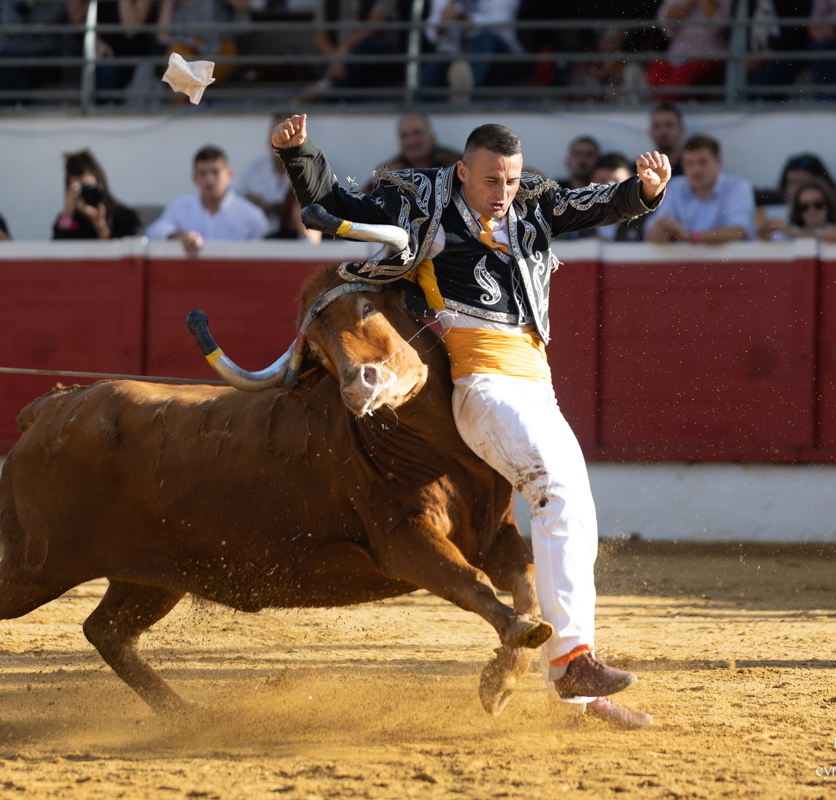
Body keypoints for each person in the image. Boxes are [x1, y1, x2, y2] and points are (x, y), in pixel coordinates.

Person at [272, 112, 669, 729]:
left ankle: (578, 691)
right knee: (557, 494)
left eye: (510, 179)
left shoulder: (531, 206)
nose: (503, 190)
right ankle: (573, 663)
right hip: (482, 387)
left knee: (575, 512)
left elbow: (589, 206)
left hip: (537, 388)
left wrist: (642, 192)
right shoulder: (426, 205)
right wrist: (301, 155)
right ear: (463, 172)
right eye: (491, 179)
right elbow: (338, 208)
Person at [146, 145, 270, 256]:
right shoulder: (181, 207)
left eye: (215, 172)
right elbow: (153, 231)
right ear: (195, 178)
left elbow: (267, 253)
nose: (209, 179)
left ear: (229, 175)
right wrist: (178, 235)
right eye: (203, 173)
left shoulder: (251, 215)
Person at [646, 134, 754, 243]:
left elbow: (740, 232)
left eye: (702, 162)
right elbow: (653, 227)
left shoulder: (737, 186)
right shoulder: (675, 186)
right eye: (689, 163)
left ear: (718, 162)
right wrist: (658, 232)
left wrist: (690, 236)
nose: (696, 169)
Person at [421, 0, 520, 97]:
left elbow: (500, 22)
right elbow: (431, 34)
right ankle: (426, 105)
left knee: (484, 37)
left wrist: (463, 19)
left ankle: (468, 89)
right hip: (456, 57)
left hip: (501, 58)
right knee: (433, 70)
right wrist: (443, 23)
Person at [0, 1, 73, 106]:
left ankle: (4, 109)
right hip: (11, 56)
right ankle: (25, 105)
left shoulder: (58, 4)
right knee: (4, 70)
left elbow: (72, 25)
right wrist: (27, 4)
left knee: (5, 72)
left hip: (43, 59)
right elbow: (8, 29)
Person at [648, 0, 732, 100]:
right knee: (657, 72)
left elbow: (717, 26)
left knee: (680, 79)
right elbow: (666, 23)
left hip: (709, 56)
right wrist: (689, 3)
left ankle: (658, 102)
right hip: (677, 54)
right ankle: (648, 97)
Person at [312, 0, 405, 91]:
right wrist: (334, 59)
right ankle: (335, 95)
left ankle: (328, 93)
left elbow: (377, 21)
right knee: (334, 68)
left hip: (380, 54)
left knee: (363, 48)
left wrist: (346, 47)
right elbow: (320, 35)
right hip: (340, 56)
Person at [53, 149, 141, 240]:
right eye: (78, 190)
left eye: (88, 189)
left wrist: (99, 224)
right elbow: (56, 251)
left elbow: (127, 251)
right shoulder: (69, 222)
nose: (84, 195)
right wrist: (67, 217)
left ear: (100, 185)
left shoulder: (125, 217)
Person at [234, 114, 294, 230]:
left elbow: (315, 210)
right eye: (277, 133)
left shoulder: (313, 170)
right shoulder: (254, 169)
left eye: (287, 134)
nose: (281, 139)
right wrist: (248, 203)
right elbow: (233, 202)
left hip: (298, 243)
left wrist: (269, 208)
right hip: (257, 240)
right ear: (269, 139)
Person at [756, 177, 836, 241]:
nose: (812, 211)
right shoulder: (790, 234)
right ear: (798, 211)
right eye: (805, 207)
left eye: (818, 205)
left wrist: (787, 229)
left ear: (828, 205)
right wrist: (764, 229)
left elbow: (827, 235)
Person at [589, 153, 646, 241]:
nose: (609, 187)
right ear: (592, 182)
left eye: (617, 182)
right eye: (602, 181)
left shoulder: (645, 218)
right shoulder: (579, 216)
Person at [648, 103, 686, 176]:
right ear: (651, 131)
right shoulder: (641, 169)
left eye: (669, 125)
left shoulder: (695, 166)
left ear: (681, 129)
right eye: (656, 126)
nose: (662, 131)